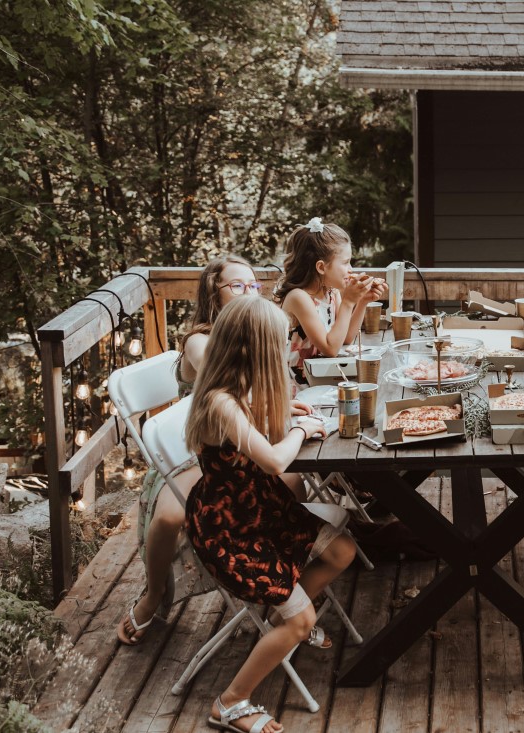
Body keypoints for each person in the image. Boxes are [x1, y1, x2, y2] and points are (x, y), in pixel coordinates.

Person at [117, 255, 314, 646]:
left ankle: (285, 589)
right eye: (236, 286)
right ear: (214, 292)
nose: (247, 293)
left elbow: (253, 396)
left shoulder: (253, 330)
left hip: (238, 440)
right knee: (172, 515)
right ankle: (154, 595)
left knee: (293, 484)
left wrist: (282, 404)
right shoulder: (201, 339)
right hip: (197, 446)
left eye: (253, 286)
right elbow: (231, 387)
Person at [184, 296, 356, 733]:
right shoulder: (221, 401)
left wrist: (282, 412)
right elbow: (276, 462)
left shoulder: (241, 389)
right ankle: (232, 701)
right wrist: (300, 428)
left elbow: (259, 432)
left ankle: (283, 624)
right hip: (232, 529)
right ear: (257, 346)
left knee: (342, 552)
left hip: (261, 509)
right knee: (304, 619)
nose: (287, 346)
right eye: (281, 340)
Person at [275, 216, 387, 383]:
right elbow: (330, 349)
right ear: (321, 267)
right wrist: (349, 302)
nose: (350, 270)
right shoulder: (299, 297)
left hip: (320, 376)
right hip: (297, 385)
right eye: (345, 262)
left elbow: (346, 338)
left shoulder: (331, 292)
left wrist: (363, 301)